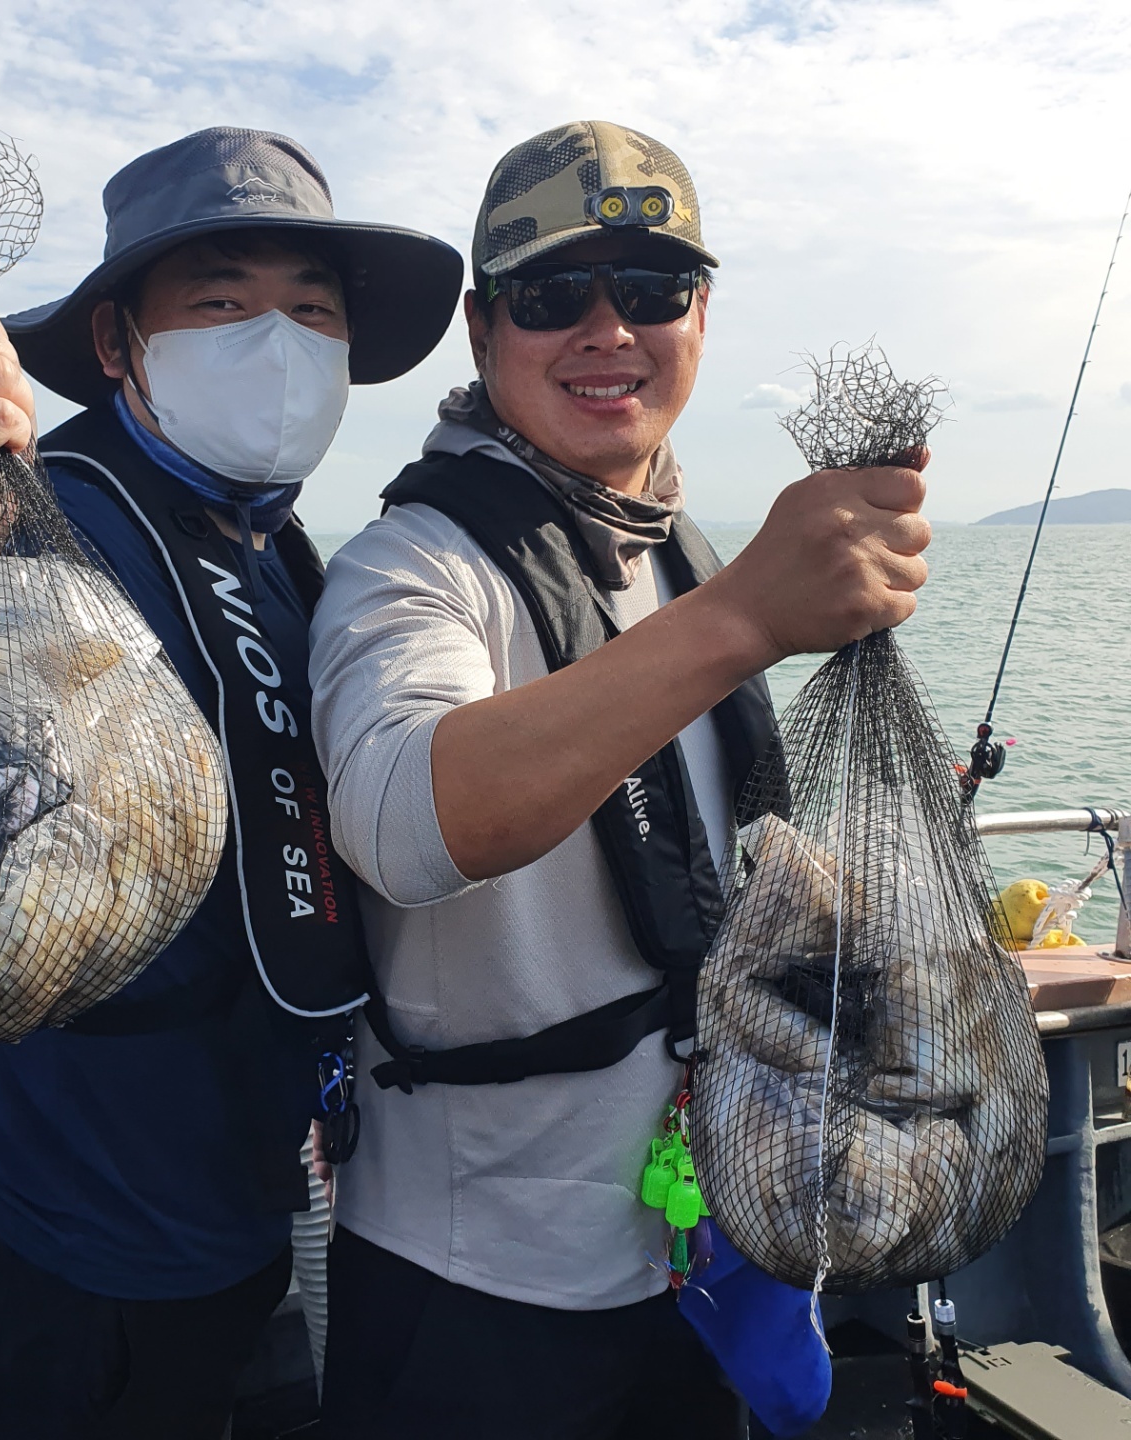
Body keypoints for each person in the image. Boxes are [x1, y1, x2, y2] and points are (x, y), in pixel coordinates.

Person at [0, 127, 461, 1439]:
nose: (279, 342)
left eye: (314, 311)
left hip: (235, 1216)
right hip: (60, 1240)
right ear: (121, 344)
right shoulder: (50, 526)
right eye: (222, 302)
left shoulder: (279, 556)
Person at [308, 120, 931, 1438]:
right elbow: (403, 818)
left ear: (701, 316)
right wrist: (747, 617)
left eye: (651, 289)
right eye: (551, 295)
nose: (608, 331)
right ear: (483, 328)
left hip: (697, 1251)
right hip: (475, 1289)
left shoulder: (674, 557)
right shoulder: (409, 568)